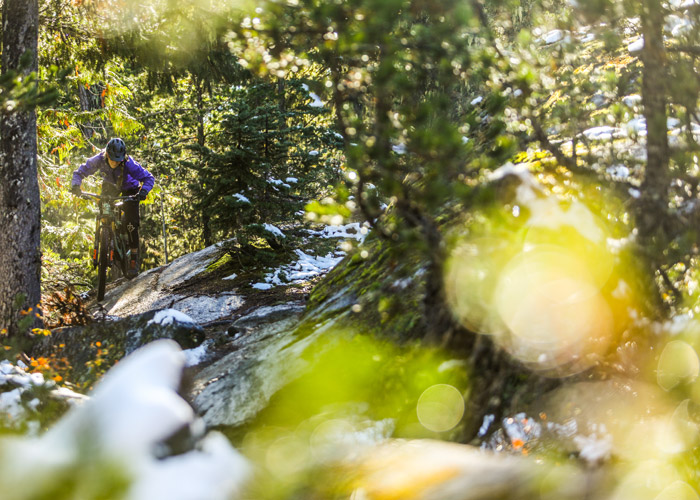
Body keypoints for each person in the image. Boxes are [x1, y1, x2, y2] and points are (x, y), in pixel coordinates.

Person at [71, 137, 155, 278]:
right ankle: (105, 238)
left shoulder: (129, 164)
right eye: (112, 159)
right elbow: (80, 171)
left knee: (131, 223)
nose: (115, 162)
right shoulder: (99, 159)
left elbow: (148, 178)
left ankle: (133, 258)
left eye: (118, 160)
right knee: (104, 208)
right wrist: (75, 186)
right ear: (107, 154)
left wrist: (143, 191)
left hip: (130, 188)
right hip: (110, 186)